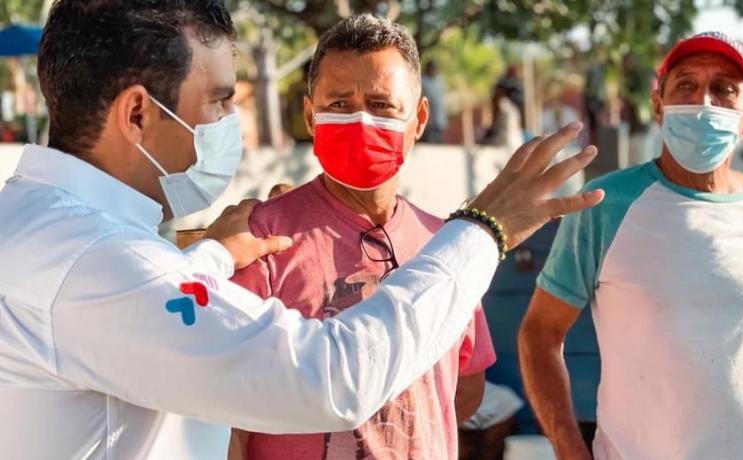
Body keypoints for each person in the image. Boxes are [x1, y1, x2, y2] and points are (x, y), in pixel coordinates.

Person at [0, 1, 604, 459]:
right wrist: (483, 230)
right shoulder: (92, 259)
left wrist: (208, 259)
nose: (229, 121)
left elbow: (145, 310)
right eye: (216, 101)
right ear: (137, 113)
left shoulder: (50, 232)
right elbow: (329, 378)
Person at [518, 31, 743, 460]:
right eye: (686, 86)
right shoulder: (606, 204)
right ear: (659, 105)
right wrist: (570, 451)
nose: (703, 103)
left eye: (725, 89)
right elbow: (540, 334)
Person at [228, 16, 495, 459]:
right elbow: (228, 413)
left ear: (419, 118)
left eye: (381, 104)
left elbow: (463, 384)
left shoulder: (446, 243)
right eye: (338, 104)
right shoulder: (262, 240)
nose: (360, 119)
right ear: (311, 115)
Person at [283, 59, 313, 144]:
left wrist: (288, 127)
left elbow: (287, 110)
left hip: (299, 131)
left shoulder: (294, 87)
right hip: (310, 131)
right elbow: (288, 110)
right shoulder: (319, 86)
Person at [420, 60, 447, 143]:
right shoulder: (423, 81)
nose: (433, 70)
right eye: (432, 68)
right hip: (427, 121)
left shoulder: (439, 81)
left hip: (438, 119)